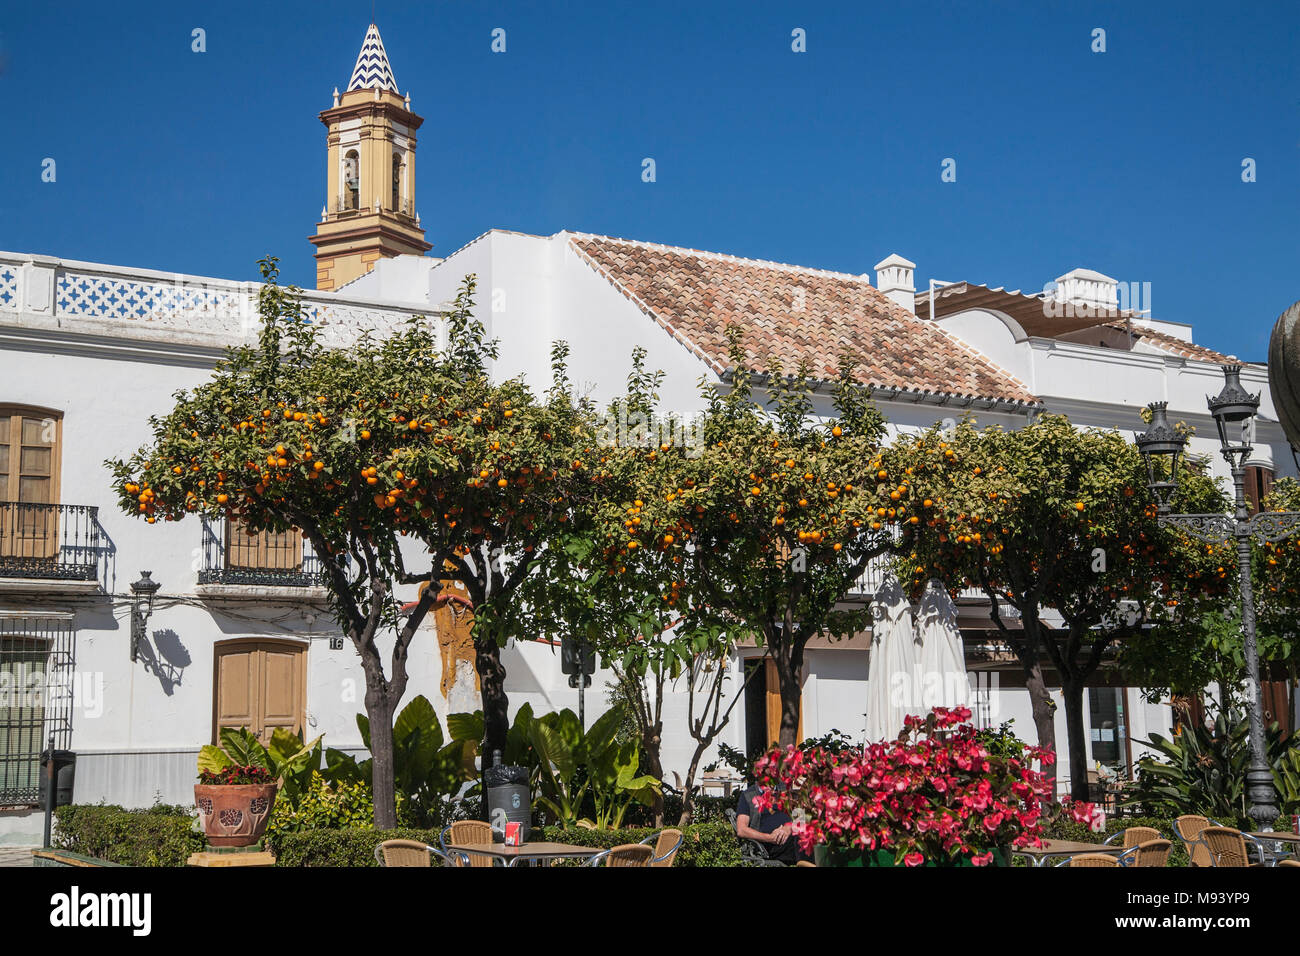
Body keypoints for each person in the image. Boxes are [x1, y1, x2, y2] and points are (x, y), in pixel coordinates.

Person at [734, 784, 800, 864]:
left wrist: (788, 827)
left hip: (790, 836)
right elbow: (741, 830)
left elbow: (800, 817)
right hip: (768, 845)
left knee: (810, 835)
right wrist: (770, 838)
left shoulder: (785, 789)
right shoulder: (748, 795)